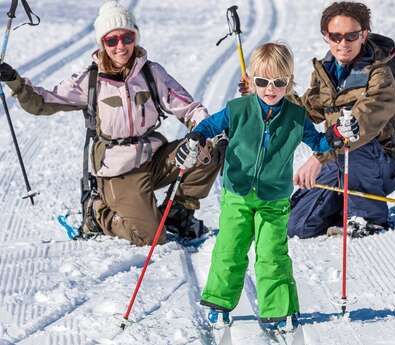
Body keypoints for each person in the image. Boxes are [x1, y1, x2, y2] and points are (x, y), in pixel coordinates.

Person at [0, 0, 223, 246]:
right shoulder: (91, 81)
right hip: (117, 171)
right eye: (112, 40)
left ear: (135, 38)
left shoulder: (151, 73)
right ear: (102, 43)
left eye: (127, 38)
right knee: (151, 237)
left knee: (207, 152)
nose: (121, 46)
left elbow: (190, 108)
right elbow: (42, 102)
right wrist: (14, 81)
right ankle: (98, 214)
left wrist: (200, 131)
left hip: (153, 157)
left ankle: (178, 214)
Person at [176, 42, 358, 332]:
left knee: (272, 254)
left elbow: (320, 143)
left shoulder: (297, 117)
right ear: (251, 80)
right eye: (261, 82)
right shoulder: (238, 109)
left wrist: (338, 134)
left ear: (289, 82)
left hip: (274, 199)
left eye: (278, 82)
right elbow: (209, 125)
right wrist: (196, 137)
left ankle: (280, 310)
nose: (269, 89)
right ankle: (219, 303)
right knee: (229, 248)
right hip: (237, 193)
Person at [287, 1, 395, 238]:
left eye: (351, 36)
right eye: (336, 36)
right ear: (326, 36)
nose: (343, 43)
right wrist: (269, 96)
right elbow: (307, 110)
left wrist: (320, 157)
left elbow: (362, 124)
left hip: (379, 163)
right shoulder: (327, 70)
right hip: (340, 160)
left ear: (364, 35)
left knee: (350, 136)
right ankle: (344, 206)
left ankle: (368, 218)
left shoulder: (380, 73)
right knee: (297, 226)